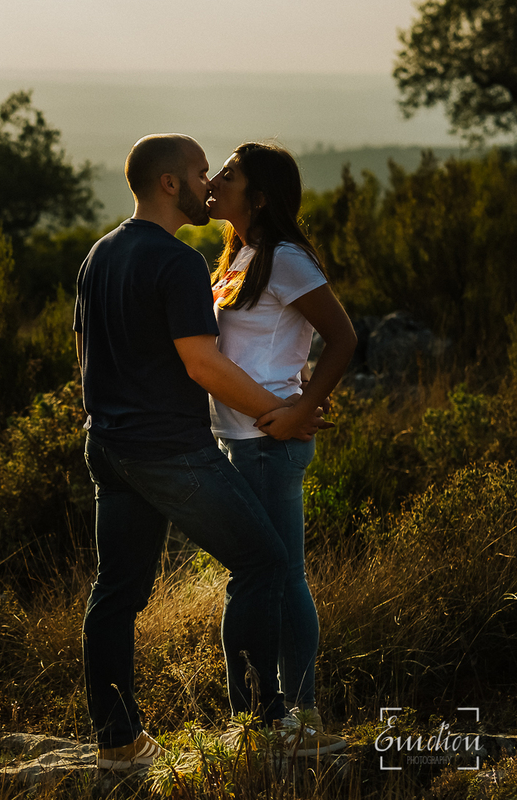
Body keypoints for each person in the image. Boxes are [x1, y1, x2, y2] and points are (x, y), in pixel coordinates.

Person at [74, 133, 327, 772]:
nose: (207, 182)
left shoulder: (99, 254)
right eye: (198, 172)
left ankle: (117, 741)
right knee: (265, 561)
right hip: (169, 451)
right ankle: (265, 724)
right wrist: (277, 414)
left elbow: (85, 356)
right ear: (169, 184)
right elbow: (202, 363)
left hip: (106, 444)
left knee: (118, 591)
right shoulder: (180, 261)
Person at [206, 142, 357, 741]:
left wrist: (302, 409)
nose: (214, 179)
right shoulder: (240, 255)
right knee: (254, 574)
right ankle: (259, 712)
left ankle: (300, 713)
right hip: (240, 439)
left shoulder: (286, 258)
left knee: (279, 574)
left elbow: (343, 338)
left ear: (260, 196)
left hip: (269, 442)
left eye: (230, 173)